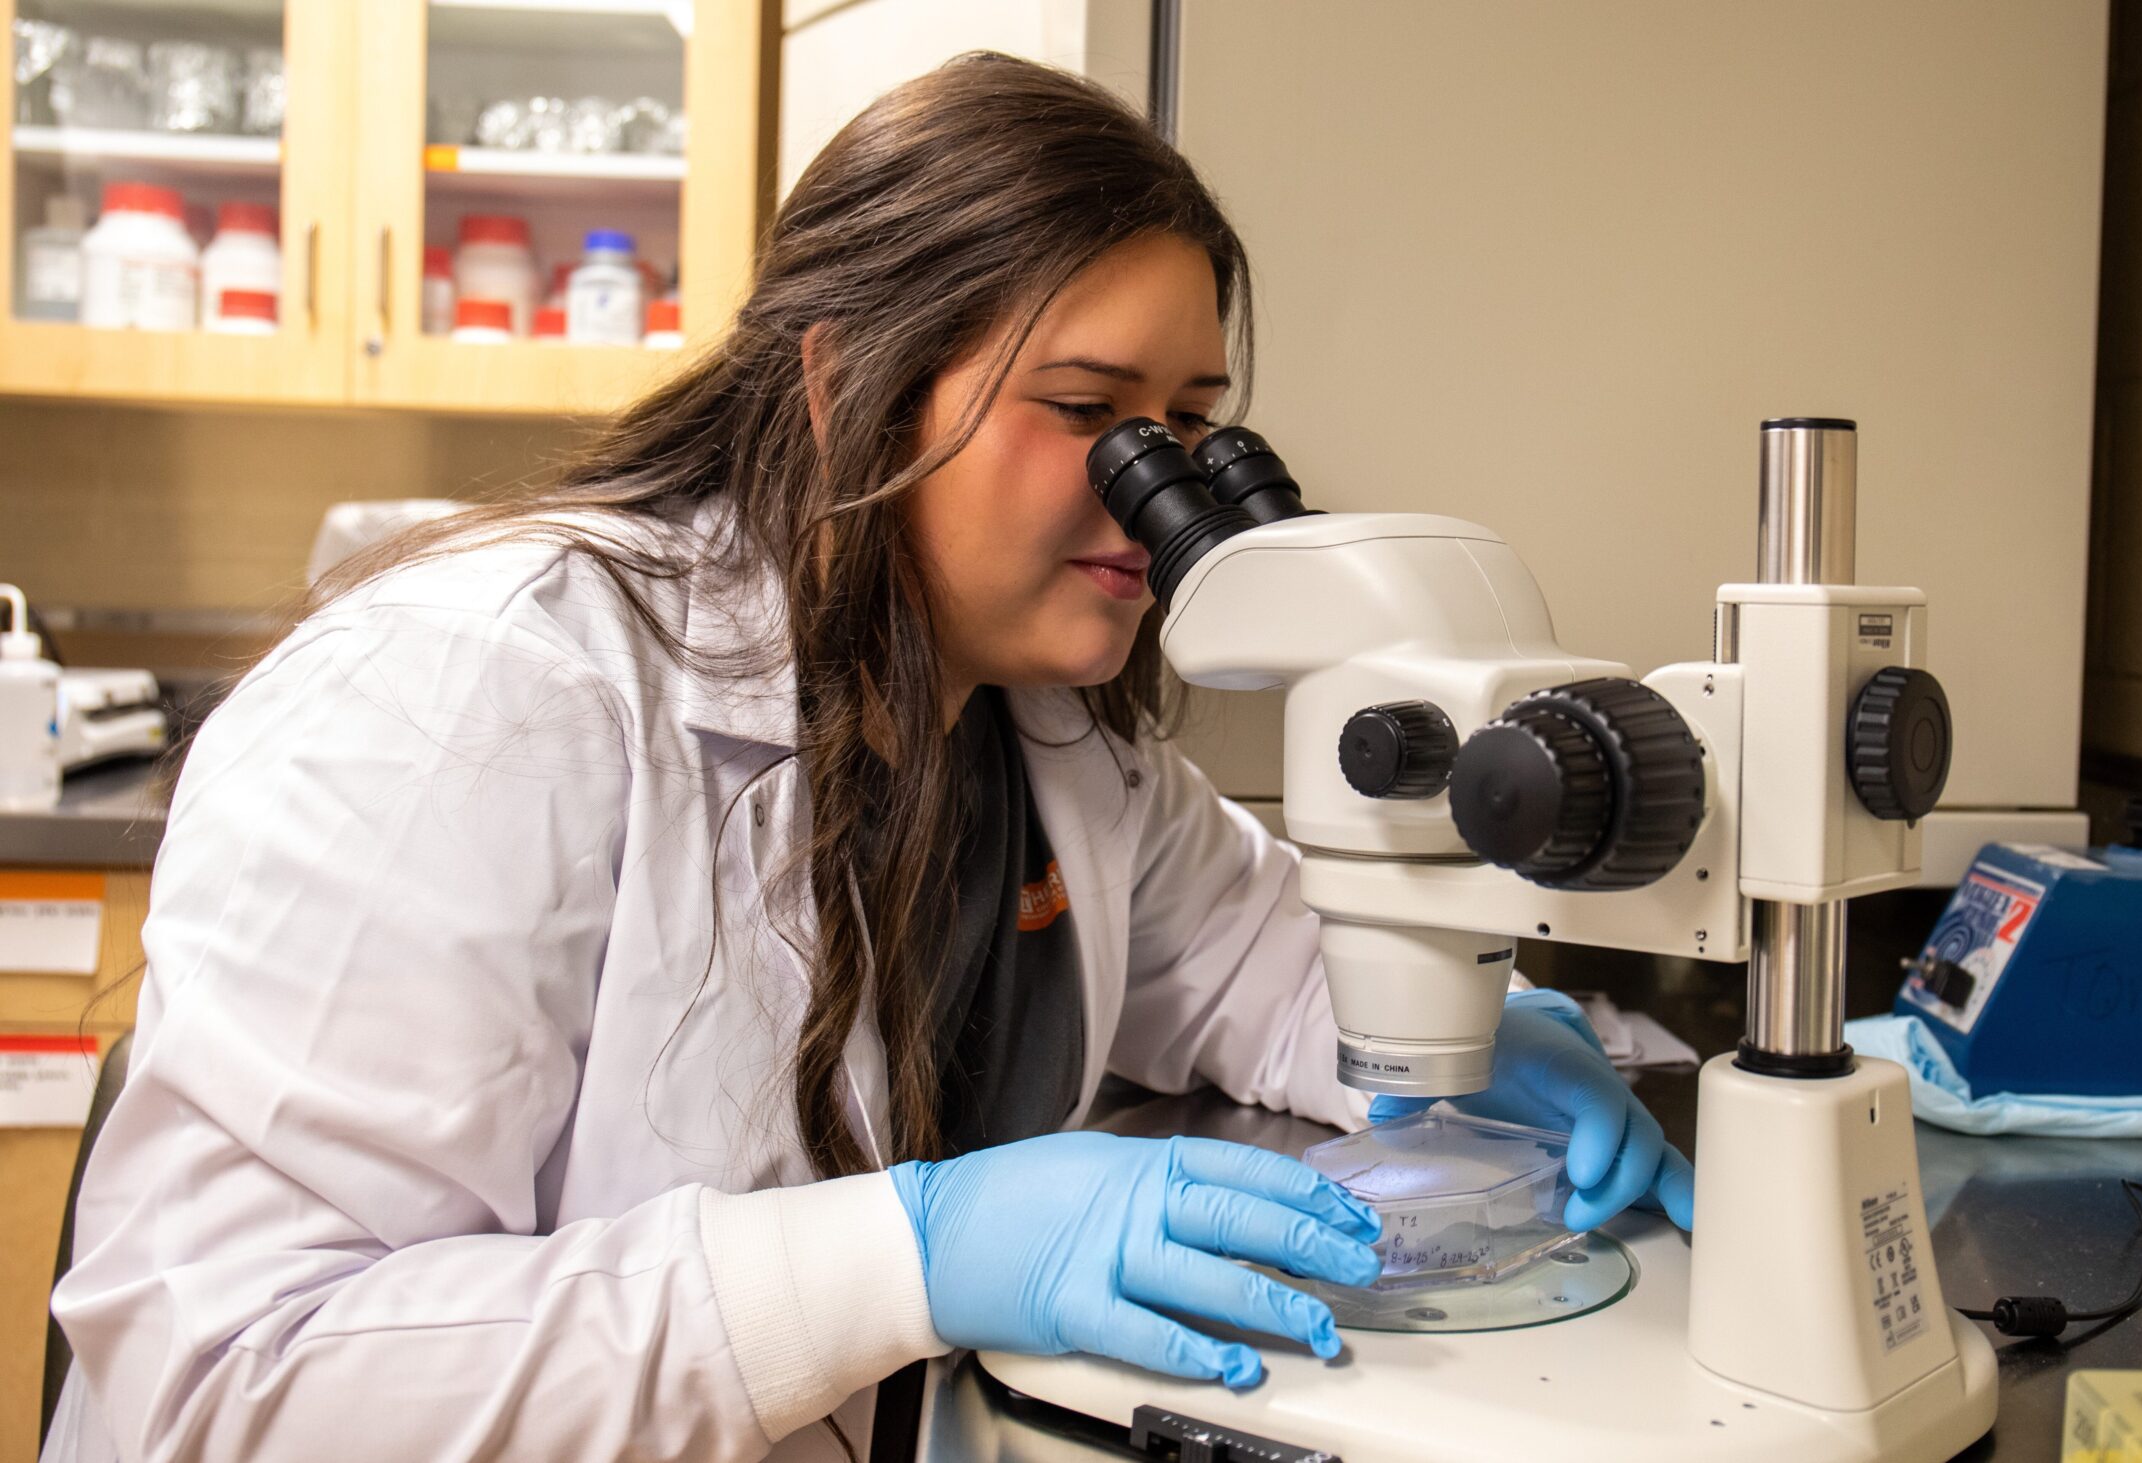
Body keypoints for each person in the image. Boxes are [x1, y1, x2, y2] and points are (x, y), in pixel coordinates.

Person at [45, 54, 1691, 1463]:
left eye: (1191, 425)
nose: (1157, 490)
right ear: (848, 387)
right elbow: (237, 1380)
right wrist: (896, 1261)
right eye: (1088, 413)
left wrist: (1466, 1053)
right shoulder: (473, 697)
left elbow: (1253, 961)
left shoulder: (1037, 722)